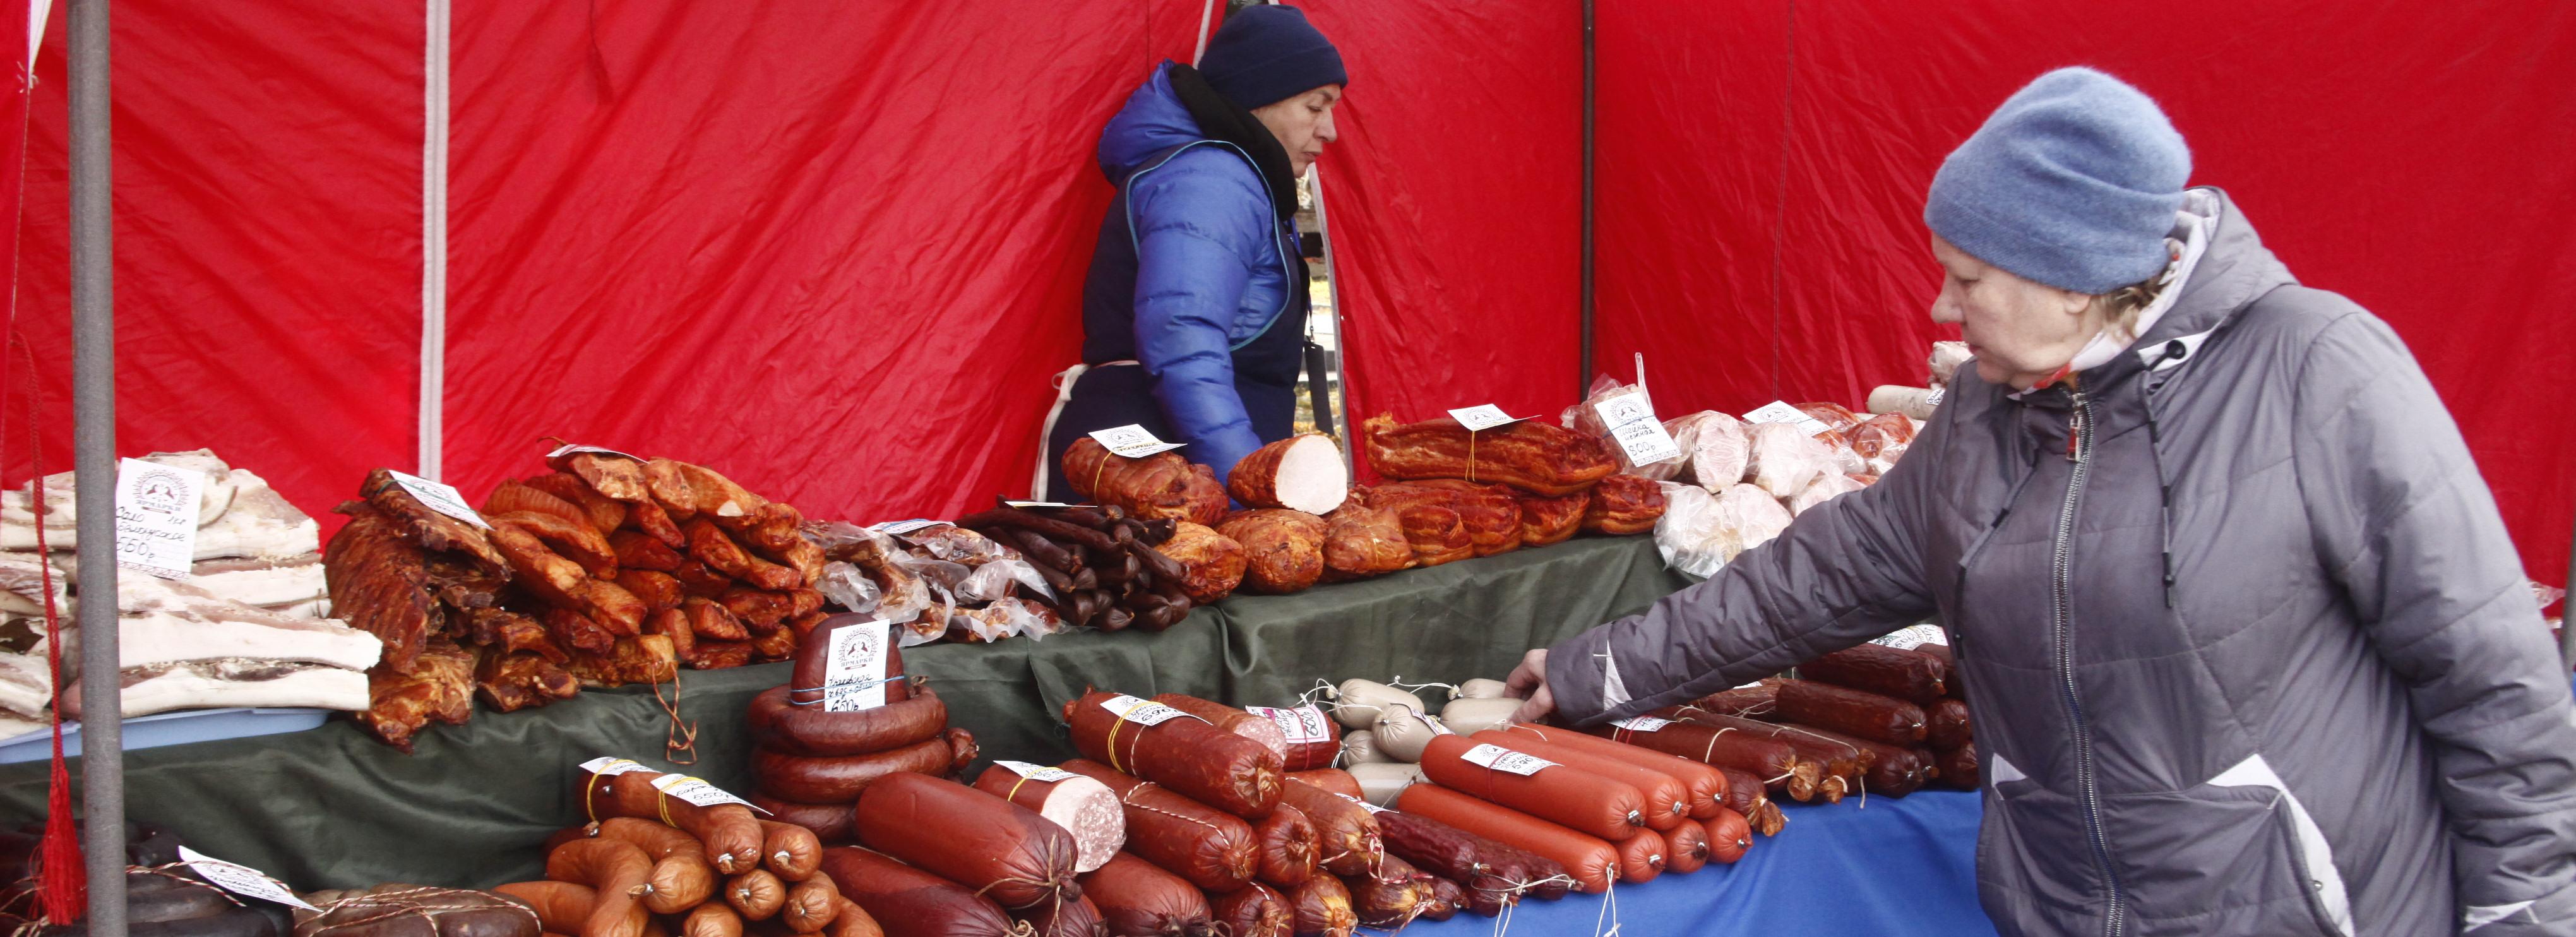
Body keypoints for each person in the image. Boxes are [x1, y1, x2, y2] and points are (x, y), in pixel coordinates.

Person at [1506, 68, 2576, 936]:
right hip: (2063, 906)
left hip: (2301, 906)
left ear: (2073, 278)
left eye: (1969, 278)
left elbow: (2493, 683)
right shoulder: (1987, 409)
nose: (1942, 305)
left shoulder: (2317, 369)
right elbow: (1820, 574)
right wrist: (1600, 669)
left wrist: (2527, 917)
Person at [1035, 6, 1346, 501]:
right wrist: (1249, 488)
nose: (1330, 130)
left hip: (1178, 473)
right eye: (1315, 106)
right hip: (1160, 481)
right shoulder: (1212, 180)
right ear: (1259, 99)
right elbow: (1184, 343)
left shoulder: (1233, 179)